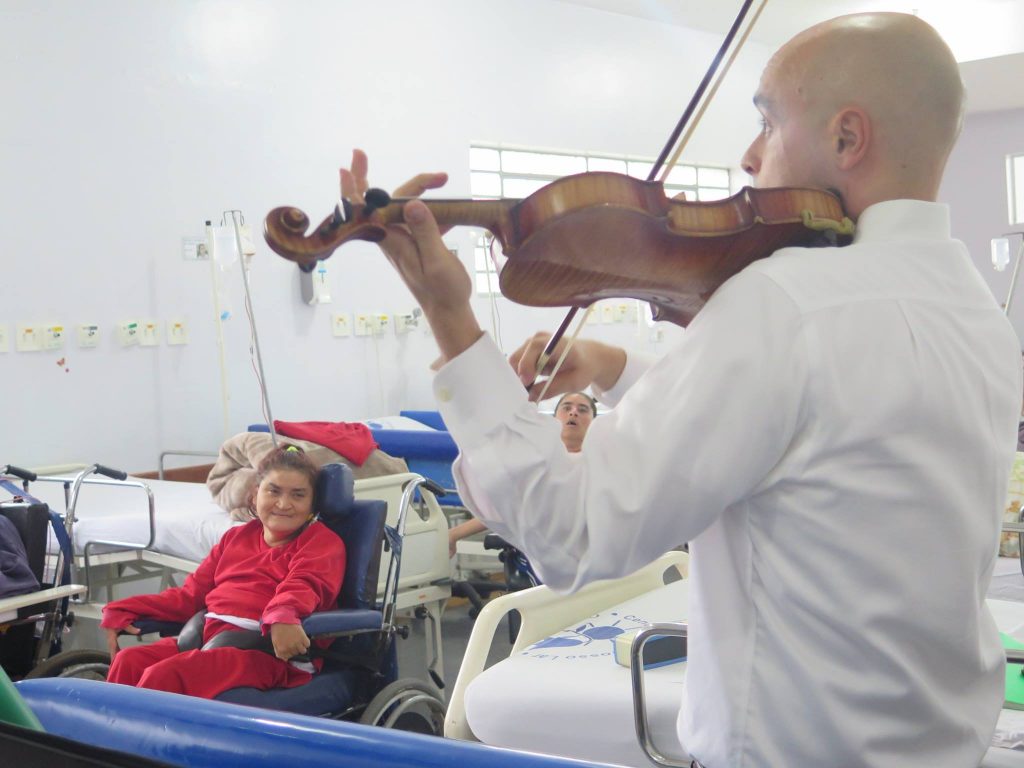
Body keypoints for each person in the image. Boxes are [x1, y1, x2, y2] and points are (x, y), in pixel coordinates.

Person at [339, 12, 1022, 768]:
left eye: (767, 122)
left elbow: (573, 530)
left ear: (847, 138)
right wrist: (611, 365)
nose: (750, 154)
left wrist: (450, 318)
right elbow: (802, 434)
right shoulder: (978, 312)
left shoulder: (786, 303)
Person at [101, 446, 345, 699]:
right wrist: (125, 608)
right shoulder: (236, 538)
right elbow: (189, 597)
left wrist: (283, 615)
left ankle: (136, 737)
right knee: (130, 661)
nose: (283, 504)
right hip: (206, 640)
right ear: (255, 495)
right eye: (273, 491)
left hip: (267, 652)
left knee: (164, 676)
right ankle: (100, 738)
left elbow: (304, 584)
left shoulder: (320, 542)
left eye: (298, 495)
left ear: (312, 506)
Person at [446, 391, 597, 557]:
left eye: (582, 410)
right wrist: (453, 535)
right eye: (566, 407)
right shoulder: (536, 462)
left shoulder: (600, 465)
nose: (573, 412)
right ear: (554, 418)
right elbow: (508, 508)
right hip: (542, 555)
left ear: (594, 422)